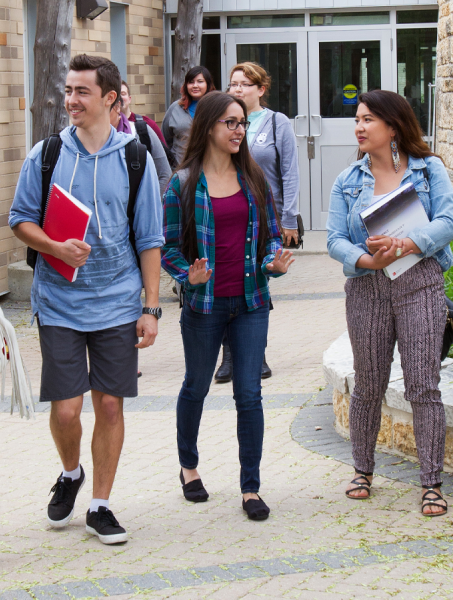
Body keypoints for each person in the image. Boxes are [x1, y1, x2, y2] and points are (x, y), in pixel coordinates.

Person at [9, 54, 164, 545]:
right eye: (68, 91)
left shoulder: (134, 156)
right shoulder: (47, 154)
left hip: (118, 302)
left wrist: (150, 307)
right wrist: (54, 247)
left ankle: (100, 504)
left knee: (111, 407)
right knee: (67, 411)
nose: (70, 101)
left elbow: (150, 239)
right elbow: (19, 219)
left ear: (110, 98)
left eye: (81, 92)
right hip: (58, 300)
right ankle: (70, 472)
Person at [161, 92, 294, 521]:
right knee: (196, 386)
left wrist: (274, 260)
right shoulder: (182, 184)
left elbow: (272, 234)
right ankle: (189, 467)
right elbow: (166, 248)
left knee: (249, 393)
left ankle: (250, 487)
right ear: (209, 128)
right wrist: (187, 275)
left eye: (242, 123)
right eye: (230, 123)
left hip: (252, 300)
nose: (239, 130)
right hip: (204, 305)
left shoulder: (254, 180)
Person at [326, 90, 453, 517]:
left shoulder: (428, 169)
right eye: (358, 120)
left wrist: (406, 243)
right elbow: (334, 241)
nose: (360, 128)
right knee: (368, 386)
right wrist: (367, 259)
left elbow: (447, 222)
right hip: (368, 288)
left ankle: (432, 483)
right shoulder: (347, 180)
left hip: (420, 283)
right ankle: (363, 470)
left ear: (393, 126)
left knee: (423, 384)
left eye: (368, 120)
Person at [213, 61, 302, 384]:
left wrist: (289, 219)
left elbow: (290, 172)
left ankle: (255, 352)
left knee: (256, 282)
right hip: (228, 214)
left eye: (243, 84)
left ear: (260, 90)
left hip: (265, 219)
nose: (236, 89)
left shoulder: (276, 123)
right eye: (232, 84)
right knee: (226, 280)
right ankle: (228, 356)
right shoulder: (222, 123)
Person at [109, 95, 171, 194]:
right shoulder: (88, 140)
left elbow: (164, 174)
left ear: (117, 106)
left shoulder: (140, 131)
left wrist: (151, 205)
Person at [162, 66, 216, 165]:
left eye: (200, 81)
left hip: (210, 168)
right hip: (181, 169)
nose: (195, 85)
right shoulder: (175, 108)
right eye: (191, 82)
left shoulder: (217, 108)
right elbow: (166, 139)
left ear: (208, 84)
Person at [120, 81, 167, 148]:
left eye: (123, 94)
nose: (119, 98)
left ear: (129, 99)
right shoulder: (107, 127)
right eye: (117, 94)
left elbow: (163, 154)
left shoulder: (148, 124)